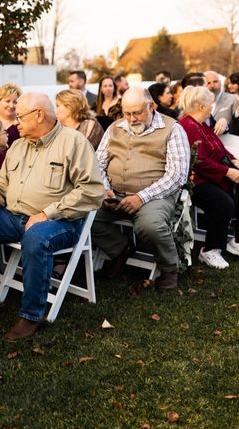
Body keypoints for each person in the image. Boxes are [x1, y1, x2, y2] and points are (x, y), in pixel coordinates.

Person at [0, 92, 104, 340]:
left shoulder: (73, 142)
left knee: (35, 237)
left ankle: (32, 316)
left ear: (39, 115)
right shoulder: (18, 146)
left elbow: (91, 192)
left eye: (20, 116)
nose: (15, 122)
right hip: (14, 217)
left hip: (59, 222)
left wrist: (46, 213)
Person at [91, 87, 190, 290]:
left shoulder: (173, 129)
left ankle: (170, 268)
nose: (131, 119)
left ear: (151, 106)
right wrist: (105, 189)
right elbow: (98, 164)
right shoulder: (115, 127)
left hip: (155, 195)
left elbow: (177, 175)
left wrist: (141, 198)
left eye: (137, 113)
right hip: (114, 193)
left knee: (150, 226)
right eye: (127, 113)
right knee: (82, 215)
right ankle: (120, 248)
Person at [178, 86, 239, 269]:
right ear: (201, 106)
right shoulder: (188, 125)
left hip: (213, 174)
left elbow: (217, 145)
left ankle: (236, 240)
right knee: (223, 204)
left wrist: (234, 160)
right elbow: (199, 161)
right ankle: (210, 250)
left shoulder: (202, 123)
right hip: (196, 181)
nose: (212, 107)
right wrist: (228, 172)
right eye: (211, 103)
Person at [204, 70, 237, 135]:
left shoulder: (234, 98)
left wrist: (225, 122)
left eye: (215, 81)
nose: (212, 85)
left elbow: (236, 123)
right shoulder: (201, 103)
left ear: (220, 82)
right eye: (208, 83)